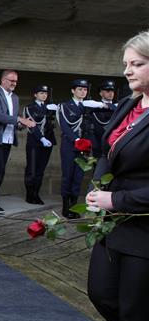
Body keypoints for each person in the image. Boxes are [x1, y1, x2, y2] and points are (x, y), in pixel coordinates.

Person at [85, 31, 149, 321]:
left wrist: (117, 200)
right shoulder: (131, 103)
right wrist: (100, 185)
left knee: (135, 313)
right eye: (126, 64)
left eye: (137, 64)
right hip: (113, 224)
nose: (127, 71)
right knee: (103, 294)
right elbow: (108, 147)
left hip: (143, 228)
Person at [0, 70, 36, 214]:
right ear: (3, 80)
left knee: (0, 170)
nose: (14, 83)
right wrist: (19, 119)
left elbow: (13, 118)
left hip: (8, 138)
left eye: (16, 81)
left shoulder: (15, 98)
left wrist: (22, 124)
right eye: (11, 80)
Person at [57, 78, 90, 218]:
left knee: (78, 177)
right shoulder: (64, 106)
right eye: (80, 89)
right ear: (73, 90)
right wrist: (77, 140)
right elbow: (64, 127)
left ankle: (74, 207)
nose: (83, 92)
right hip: (69, 146)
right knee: (68, 176)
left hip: (85, 147)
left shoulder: (89, 106)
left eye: (85, 89)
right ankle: (66, 208)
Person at [23, 85, 56, 205]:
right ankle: (29, 194)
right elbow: (32, 124)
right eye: (41, 93)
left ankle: (36, 194)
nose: (44, 95)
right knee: (31, 169)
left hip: (48, 141)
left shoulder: (49, 107)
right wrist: (41, 138)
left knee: (40, 170)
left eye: (46, 93)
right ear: (35, 95)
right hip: (34, 141)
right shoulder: (30, 107)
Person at [87, 79, 118, 158]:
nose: (111, 93)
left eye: (112, 91)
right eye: (107, 91)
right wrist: (104, 105)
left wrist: (111, 106)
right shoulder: (95, 105)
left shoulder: (118, 106)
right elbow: (85, 103)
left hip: (112, 140)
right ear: (101, 93)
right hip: (97, 141)